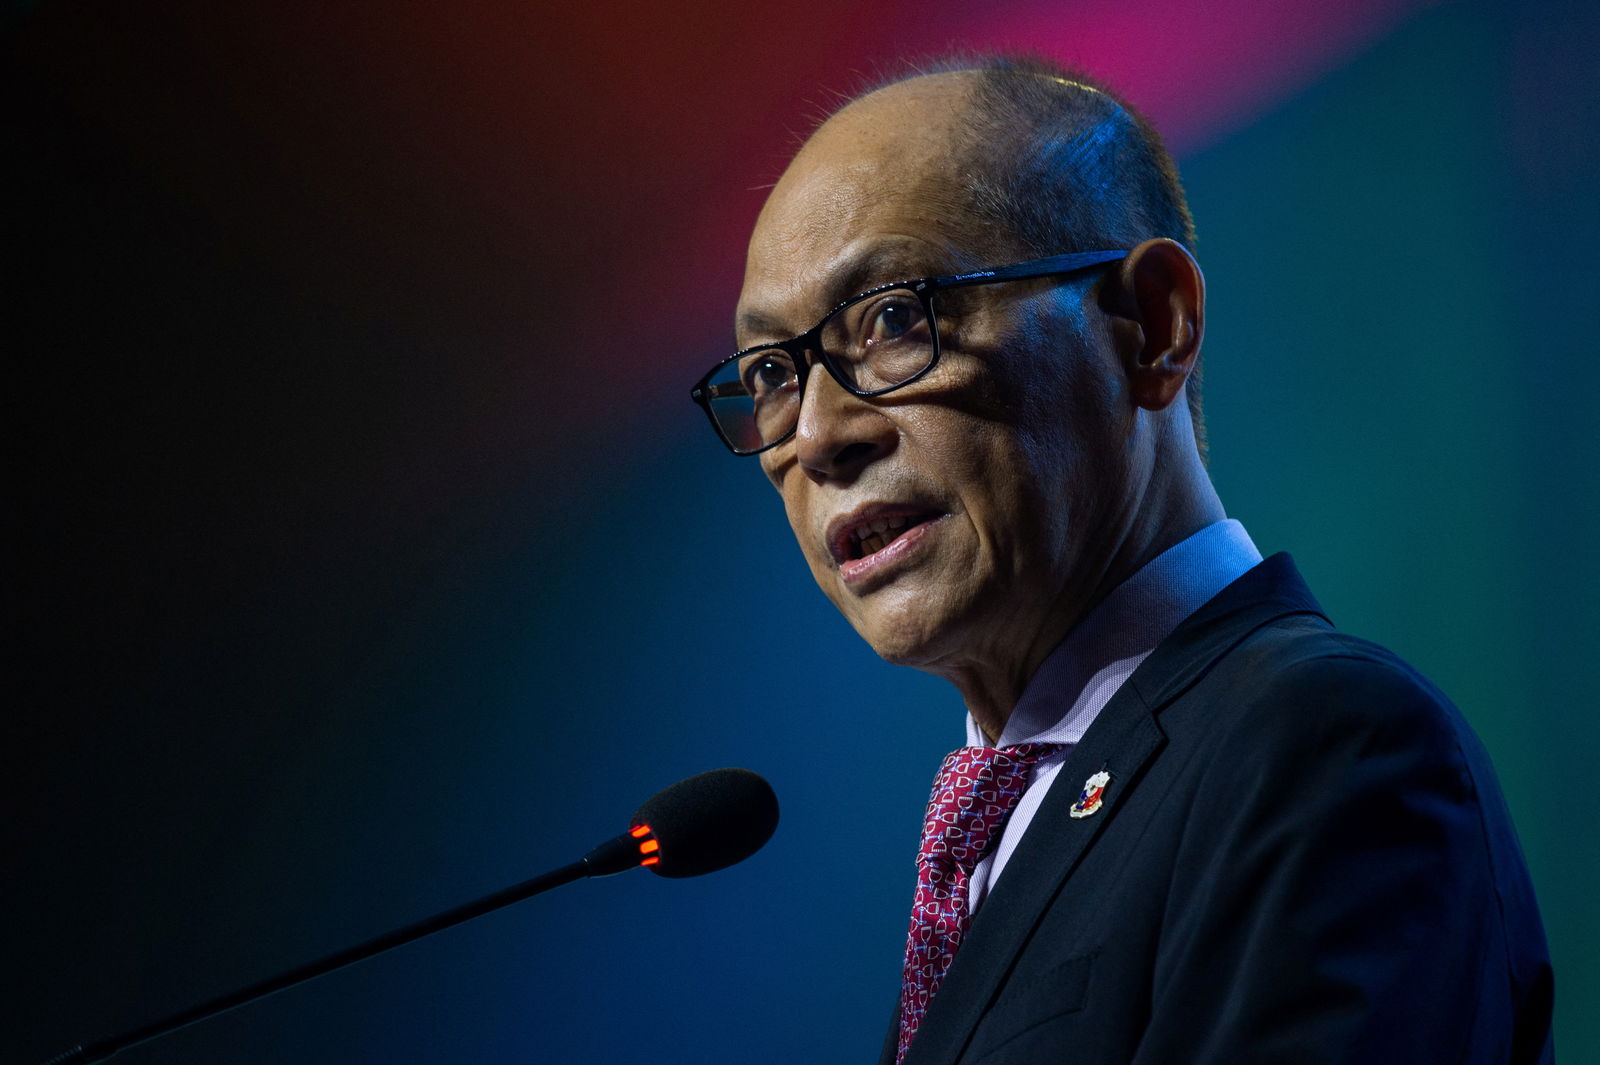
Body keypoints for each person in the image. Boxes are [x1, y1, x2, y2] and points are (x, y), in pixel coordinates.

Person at [689, 55, 1553, 1065]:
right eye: (771, 373)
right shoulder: (994, 840)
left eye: (893, 318)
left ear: (1152, 325)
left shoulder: (1325, 744)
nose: (819, 435)